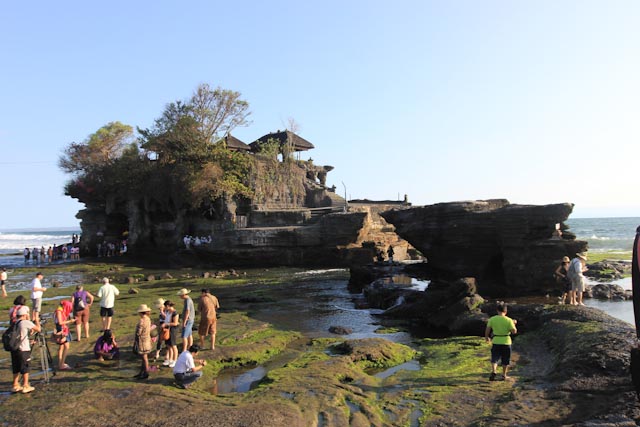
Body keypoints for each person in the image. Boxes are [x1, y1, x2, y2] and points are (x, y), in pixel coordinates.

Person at [10, 306, 41, 394]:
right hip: (23, 349)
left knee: (16, 367)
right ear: (24, 315)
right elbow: (38, 329)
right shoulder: (25, 322)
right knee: (25, 367)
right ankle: (26, 385)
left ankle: (15, 385)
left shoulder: (15, 323)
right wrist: (37, 320)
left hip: (14, 348)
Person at [485, 302, 517, 381]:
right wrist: (514, 324)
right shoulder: (509, 320)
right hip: (506, 341)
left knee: (494, 358)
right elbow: (514, 331)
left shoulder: (492, 319)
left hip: (496, 340)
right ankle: (504, 375)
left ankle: (494, 371)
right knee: (505, 359)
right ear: (506, 311)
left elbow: (488, 329)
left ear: (497, 310)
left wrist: (487, 337)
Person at [53, 300, 74, 370]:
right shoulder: (59, 311)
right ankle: (62, 364)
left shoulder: (60, 310)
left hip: (62, 329)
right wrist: (70, 321)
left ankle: (60, 363)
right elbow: (60, 322)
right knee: (66, 347)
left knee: (61, 347)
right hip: (62, 330)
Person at [134, 304, 153, 379]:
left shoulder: (142, 320)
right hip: (147, 339)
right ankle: (142, 372)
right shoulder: (148, 319)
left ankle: (146, 372)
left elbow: (139, 332)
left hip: (142, 341)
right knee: (144, 357)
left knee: (144, 357)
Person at [162, 300, 180, 368]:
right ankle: (170, 359)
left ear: (168, 306)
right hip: (167, 329)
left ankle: (175, 360)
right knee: (168, 345)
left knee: (173, 345)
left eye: (165, 306)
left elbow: (175, 323)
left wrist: (166, 324)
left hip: (173, 329)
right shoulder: (167, 311)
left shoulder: (175, 313)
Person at [177, 288, 195, 352]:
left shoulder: (188, 300)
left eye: (180, 295)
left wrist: (184, 321)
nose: (180, 296)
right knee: (189, 334)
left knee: (184, 336)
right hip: (190, 319)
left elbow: (187, 311)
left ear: (183, 295)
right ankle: (190, 346)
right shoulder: (187, 300)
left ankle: (184, 349)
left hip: (188, 319)